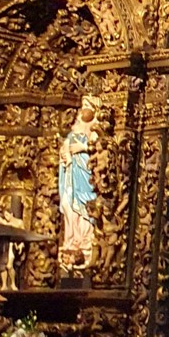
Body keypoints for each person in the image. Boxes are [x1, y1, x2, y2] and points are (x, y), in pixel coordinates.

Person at [58, 94, 100, 272]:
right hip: (71, 173)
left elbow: (99, 147)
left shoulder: (95, 130)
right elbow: (65, 147)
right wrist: (65, 154)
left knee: (84, 206)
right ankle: (71, 240)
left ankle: (84, 241)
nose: (83, 109)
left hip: (86, 173)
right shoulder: (74, 130)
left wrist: (82, 148)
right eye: (82, 105)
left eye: (87, 105)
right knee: (67, 204)